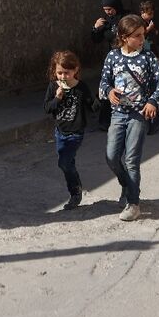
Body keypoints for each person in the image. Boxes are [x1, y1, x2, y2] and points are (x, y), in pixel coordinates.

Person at [99, 15, 159, 222]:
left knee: (131, 160)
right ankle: (126, 185)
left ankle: (133, 203)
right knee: (112, 156)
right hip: (118, 114)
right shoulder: (112, 57)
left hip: (139, 114)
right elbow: (103, 81)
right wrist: (109, 90)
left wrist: (153, 101)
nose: (142, 40)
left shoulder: (148, 58)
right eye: (137, 36)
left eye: (143, 35)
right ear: (123, 37)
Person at [43, 50, 96, 210]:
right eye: (59, 73)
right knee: (66, 163)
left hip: (76, 132)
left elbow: (92, 105)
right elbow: (47, 108)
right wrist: (57, 98)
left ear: (75, 71)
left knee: (64, 162)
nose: (63, 77)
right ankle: (75, 187)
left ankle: (75, 192)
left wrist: (100, 100)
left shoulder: (81, 87)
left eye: (67, 73)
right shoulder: (53, 87)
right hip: (60, 132)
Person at [91, 0, 126, 130]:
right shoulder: (106, 22)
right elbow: (96, 39)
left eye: (110, 9)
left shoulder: (126, 19)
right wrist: (96, 28)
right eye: (105, 9)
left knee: (124, 87)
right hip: (111, 59)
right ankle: (105, 121)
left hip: (127, 58)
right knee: (107, 87)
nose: (108, 12)